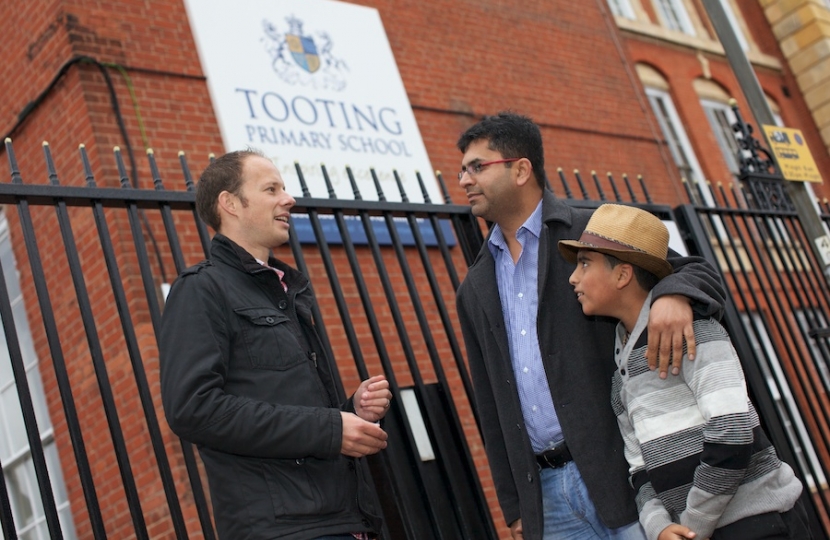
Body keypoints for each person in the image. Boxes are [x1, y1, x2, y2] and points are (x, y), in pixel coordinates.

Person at [454, 112, 726, 540]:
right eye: (462, 170)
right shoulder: (475, 285)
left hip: (627, 478)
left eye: (476, 167)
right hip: (546, 498)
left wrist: (674, 295)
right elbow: (489, 400)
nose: (463, 180)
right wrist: (515, 506)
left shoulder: (592, 229)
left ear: (521, 169)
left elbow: (695, 269)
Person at [159, 149, 390, 540]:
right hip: (282, 529)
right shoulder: (200, 290)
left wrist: (350, 411)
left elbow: (284, 403)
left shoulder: (284, 290)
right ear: (229, 204)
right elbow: (193, 408)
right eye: (271, 189)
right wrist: (331, 429)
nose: (289, 199)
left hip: (343, 519)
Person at [559, 203, 809, 540]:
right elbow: (639, 467)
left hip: (758, 523)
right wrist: (659, 527)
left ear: (622, 275)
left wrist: (694, 524)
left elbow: (732, 432)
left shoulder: (694, 331)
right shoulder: (622, 372)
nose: (573, 277)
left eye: (585, 263)